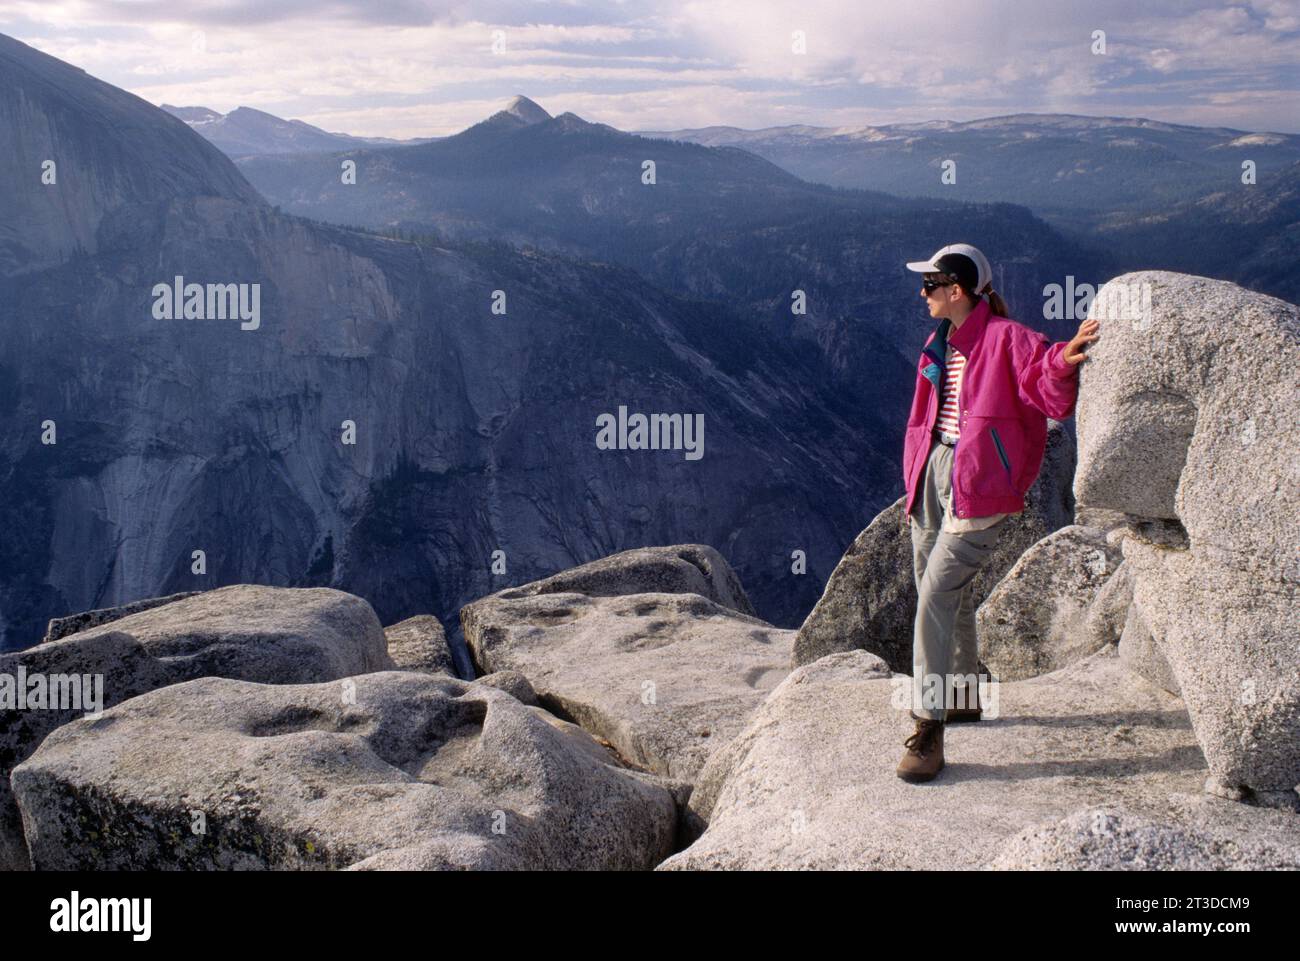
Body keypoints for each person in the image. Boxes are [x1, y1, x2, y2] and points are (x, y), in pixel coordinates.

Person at [896, 243, 1100, 782]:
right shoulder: (940, 341)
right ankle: (962, 693)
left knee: (938, 592)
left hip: (980, 485)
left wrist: (1065, 357)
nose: (923, 294)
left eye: (930, 285)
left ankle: (927, 724)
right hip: (933, 473)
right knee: (939, 590)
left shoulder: (1006, 339)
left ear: (956, 290)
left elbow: (1046, 383)